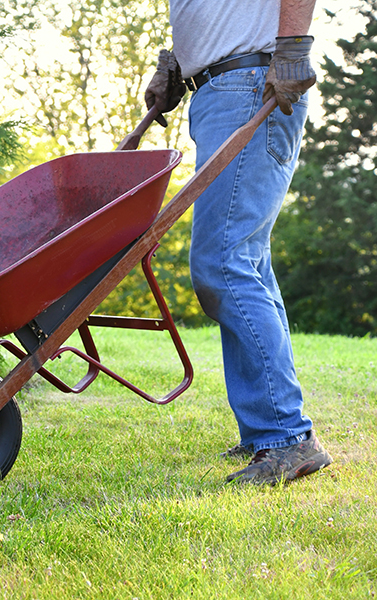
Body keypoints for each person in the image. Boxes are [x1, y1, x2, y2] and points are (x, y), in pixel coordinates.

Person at [144, 0, 332, 484]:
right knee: (245, 262)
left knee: (223, 265)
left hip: (254, 82)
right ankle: (267, 431)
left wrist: (292, 46)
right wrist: (178, 63)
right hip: (219, 90)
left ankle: (286, 438)